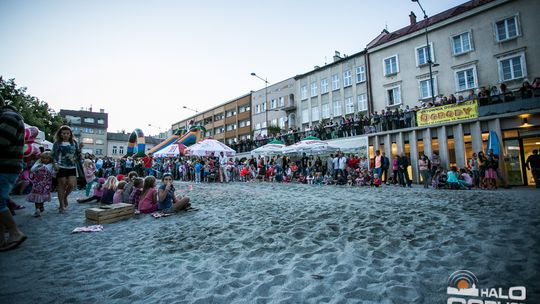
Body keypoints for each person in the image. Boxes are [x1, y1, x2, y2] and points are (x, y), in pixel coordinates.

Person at [0, 95, 27, 251]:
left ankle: (14, 232)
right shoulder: (6, 116)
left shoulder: (9, 117)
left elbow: (2, 141)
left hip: (6, 165)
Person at [52, 125, 82, 213]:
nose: (65, 135)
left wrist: (80, 149)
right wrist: (55, 163)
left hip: (72, 166)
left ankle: (65, 197)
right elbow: (53, 155)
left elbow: (77, 155)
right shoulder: (57, 143)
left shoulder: (74, 142)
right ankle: (61, 206)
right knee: (62, 185)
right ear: (60, 134)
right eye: (63, 133)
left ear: (70, 134)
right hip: (61, 166)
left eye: (67, 133)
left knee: (71, 184)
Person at [27, 152, 54, 217]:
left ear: (50, 159)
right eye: (43, 158)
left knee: (42, 196)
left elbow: (53, 174)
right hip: (37, 183)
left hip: (46, 184)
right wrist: (38, 163)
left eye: (46, 158)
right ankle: (37, 209)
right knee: (37, 196)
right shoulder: (38, 164)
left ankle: (41, 206)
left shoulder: (51, 165)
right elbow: (32, 170)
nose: (45, 160)